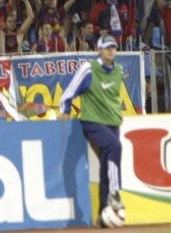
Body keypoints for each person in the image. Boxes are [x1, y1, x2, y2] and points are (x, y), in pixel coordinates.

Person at [59, 35, 124, 222]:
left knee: (106, 166)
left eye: (114, 47)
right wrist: (65, 109)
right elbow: (69, 91)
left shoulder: (118, 70)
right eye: (107, 48)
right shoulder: (89, 69)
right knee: (115, 147)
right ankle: (114, 193)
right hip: (93, 121)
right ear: (99, 50)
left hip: (113, 122)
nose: (111, 51)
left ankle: (103, 216)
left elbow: (113, 97)